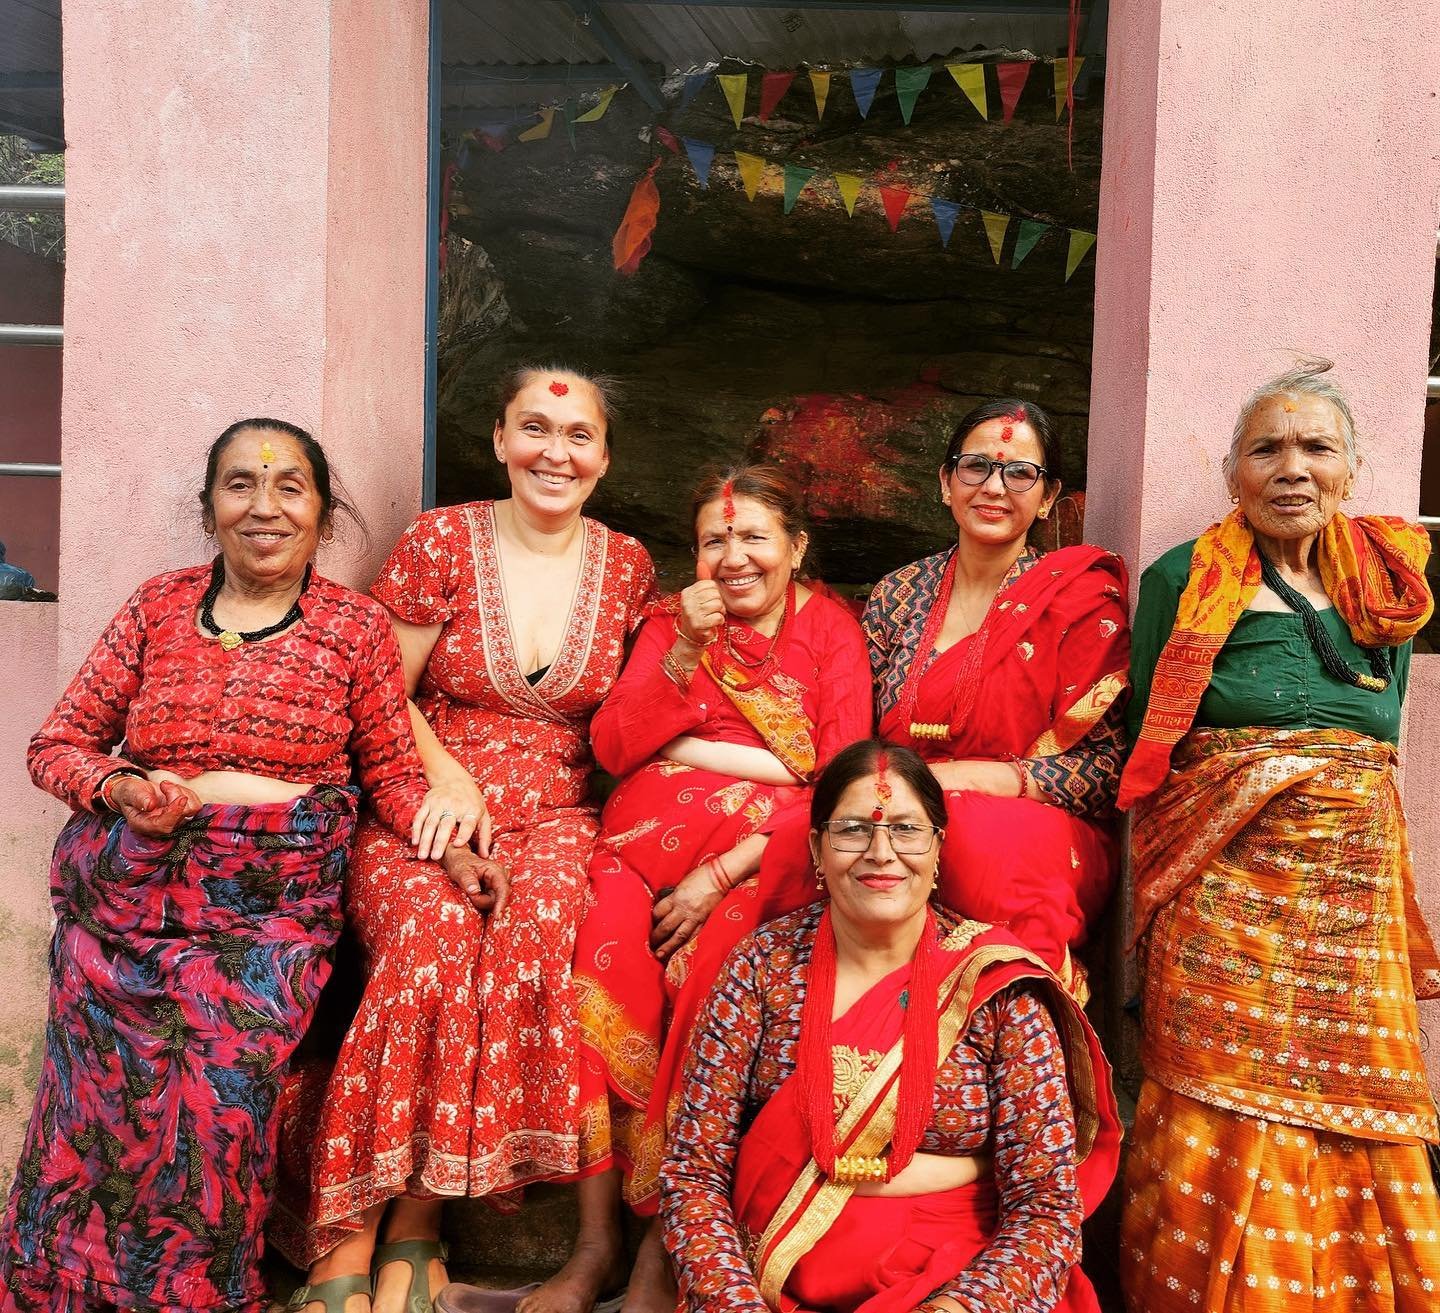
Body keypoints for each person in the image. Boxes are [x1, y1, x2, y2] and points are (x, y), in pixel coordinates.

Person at [0, 419, 446, 1313]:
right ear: (209, 509)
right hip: (126, 910)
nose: (265, 506)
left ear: (323, 512)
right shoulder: (157, 606)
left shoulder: (354, 627)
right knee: (93, 1112)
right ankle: (65, 1288)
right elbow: (56, 745)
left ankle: (191, 1294)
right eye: (240, 484)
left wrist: (455, 847)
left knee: (222, 1104)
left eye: (291, 488)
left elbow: (391, 771)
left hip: (265, 918)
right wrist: (123, 787)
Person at [277, 366, 655, 1313]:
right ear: (498, 439)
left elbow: (634, 719)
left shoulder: (631, 566)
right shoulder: (441, 539)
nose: (554, 452)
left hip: (559, 814)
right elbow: (381, 698)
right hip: (422, 796)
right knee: (432, 947)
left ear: (604, 458)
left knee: (531, 940)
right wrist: (444, 778)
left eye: (578, 435)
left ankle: (418, 1222)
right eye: (535, 427)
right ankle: (348, 1236)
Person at [488, 466, 871, 1313]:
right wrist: (690, 652)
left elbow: (842, 773)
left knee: (710, 981)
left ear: (796, 548)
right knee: (599, 969)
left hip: (757, 860)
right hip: (635, 847)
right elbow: (618, 745)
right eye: (714, 541)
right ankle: (594, 1245)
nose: (733, 557)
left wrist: (721, 868)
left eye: (754, 537)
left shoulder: (831, 633)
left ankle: (666, 1247)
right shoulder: (670, 624)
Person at [1117, 360, 1440, 1312]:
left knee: (1362, 1109)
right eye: (1267, 448)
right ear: (1233, 475)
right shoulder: (1181, 578)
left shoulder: (1390, 584)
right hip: (1221, 892)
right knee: (1219, 1089)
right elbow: (1150, 742)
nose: (1291, 467)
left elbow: (1382, 736)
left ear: (1352, 469)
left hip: (1351, 897)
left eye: (1315, 447)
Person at [659, 740, 1119, 1313]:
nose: (881, 853)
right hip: (765, 1291)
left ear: (938, 848)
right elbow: (693, 1175)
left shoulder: (998, 988)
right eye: (852, 830)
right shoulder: (761, 968)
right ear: (816, 849)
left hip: (964, 1290)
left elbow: (1046, 1204)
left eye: (906, 830)